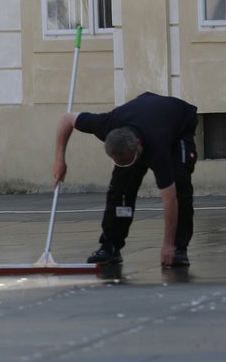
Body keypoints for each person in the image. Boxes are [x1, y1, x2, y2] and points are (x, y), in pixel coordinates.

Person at [53, 91, 198, 268]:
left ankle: (178, 247)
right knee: (120, 192)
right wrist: (60, 160)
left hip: (178, 123)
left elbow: (170, 197)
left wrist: (167, 244)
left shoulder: (157, 150)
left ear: (138, 145)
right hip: (141, 117)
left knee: (180, 184)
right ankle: (111, 246)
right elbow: (66, 119)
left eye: (130, 160)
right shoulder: (106, 124)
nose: (126, 165)